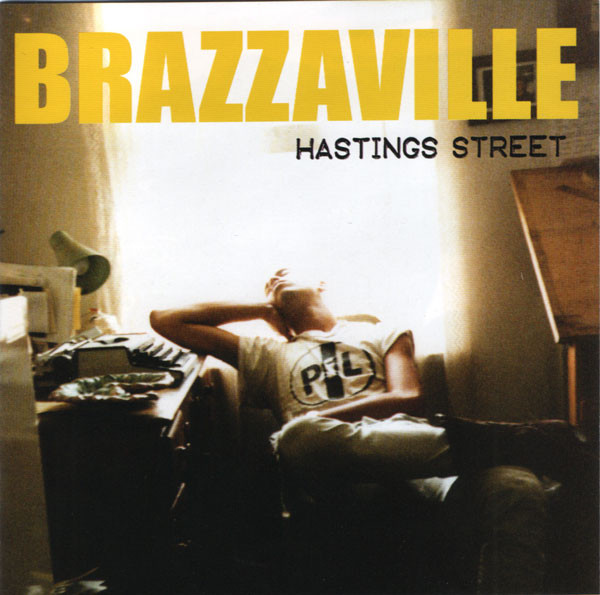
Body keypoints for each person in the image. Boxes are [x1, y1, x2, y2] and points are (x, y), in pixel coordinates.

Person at [150, 268, 594, 592]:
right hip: (329, 470)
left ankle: (515, 447)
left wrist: (323, 417)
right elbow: (166, 320)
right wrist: (263, 308)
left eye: (289, 275)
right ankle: (522, 440)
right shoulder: (268, 354)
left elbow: (408, 398)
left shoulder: (383, 333)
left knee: (516, 485)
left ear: (322, 285)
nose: (279, 278)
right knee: (298, 438)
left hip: (414, 457)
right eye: (272, 282)